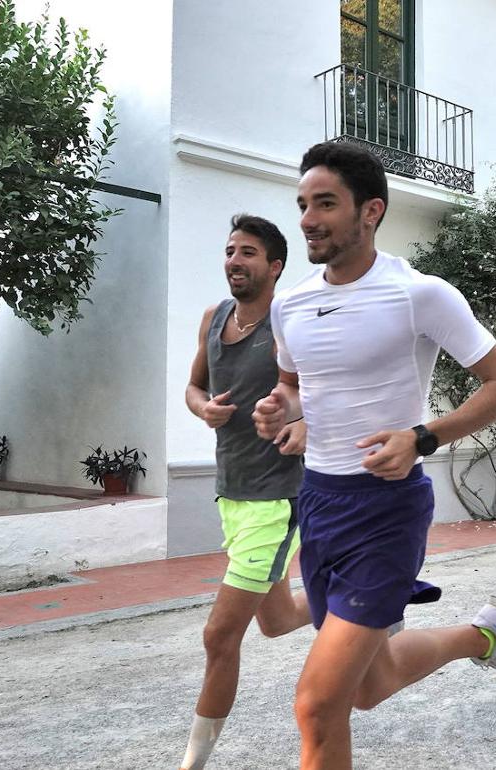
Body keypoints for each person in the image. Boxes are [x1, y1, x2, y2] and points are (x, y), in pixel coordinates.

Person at [252, 141, 496, 770]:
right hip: (319, 503)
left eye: (326, 204)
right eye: (303, 204)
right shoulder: (290, 304)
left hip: (385, 510)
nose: (308, 220)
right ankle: (483, 636)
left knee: (317, 705)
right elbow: (293, 387)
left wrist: (422, 437)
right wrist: (278, 408)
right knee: (368, 687)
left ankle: (483, 635)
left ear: (371, 211)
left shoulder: (419, 294)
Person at [178, 215, 312, 770]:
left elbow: (325, 394)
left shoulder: (290, 324)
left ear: (274, 266)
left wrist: (305, 425)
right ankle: (364, 595)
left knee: (219, 636)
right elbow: (193, 386)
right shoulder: (213, 318)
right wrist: (202, 408)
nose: (234, 260)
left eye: (248, 252)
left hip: (278, 497)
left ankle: (192, 763)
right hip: (231, 491)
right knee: (276, 621)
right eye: (230, 250)